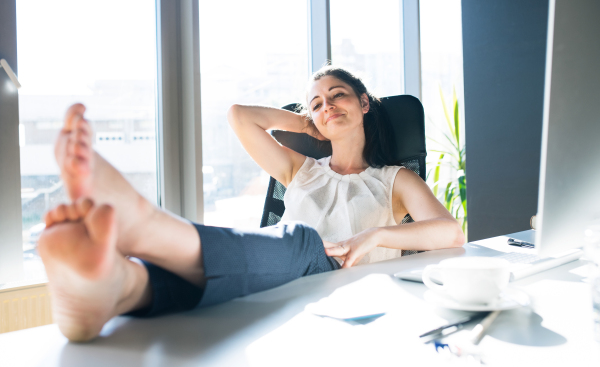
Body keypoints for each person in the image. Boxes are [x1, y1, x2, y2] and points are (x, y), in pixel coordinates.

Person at [38, 66, 464, 342]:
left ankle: (138, 251)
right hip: (278, 278)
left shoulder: (394, 179)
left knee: (301, 241)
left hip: (341, 288)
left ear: (364, 103)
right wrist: (305, 122)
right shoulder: (302, 169)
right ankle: (119, 288)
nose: (328, 105)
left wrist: (377, 235)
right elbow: (240, 116)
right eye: (318, 102)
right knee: (288, 245)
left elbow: (450, 232)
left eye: (339, 95)